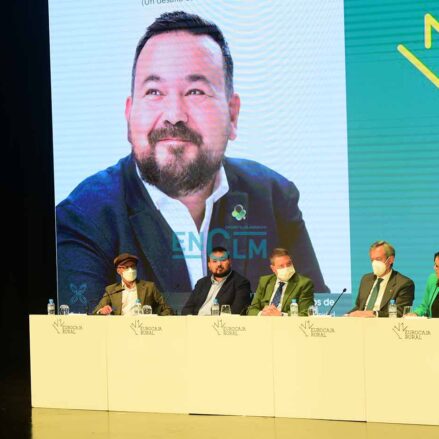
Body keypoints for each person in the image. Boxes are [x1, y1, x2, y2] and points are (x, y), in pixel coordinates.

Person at [56, 11, 328, 313]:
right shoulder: (83, 218)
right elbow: (86, 345)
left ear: (233, 115)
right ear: (129, 115)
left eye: (196, 91)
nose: (174, 114)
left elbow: (315, 313)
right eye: (154, 91)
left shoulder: (274, 196)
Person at [348, 241, 414, 318]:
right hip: (361, 325)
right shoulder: (366, 279)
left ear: (390, 260)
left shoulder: (404, 283)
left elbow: (400, 313)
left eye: (378, 259)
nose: (374, 263)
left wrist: (374, 314)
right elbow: (359, 307)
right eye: (372, 260)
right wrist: (346, 316)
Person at [93, 253, 173, 316]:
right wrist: (101, 311)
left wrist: (154, 319)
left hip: (142, 329)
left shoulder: (149, 287)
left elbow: (167, 309)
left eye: (133, 266)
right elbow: (96, 312)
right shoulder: (111, 290)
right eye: (126, 267)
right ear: (118, 271)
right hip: (119, 329)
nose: (131, 270)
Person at [181, 246, 252, 315]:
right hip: (196, 322)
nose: (219, 264)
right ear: (209, 265)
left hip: (220, 324)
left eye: (223, 260)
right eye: (214, 261)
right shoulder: (201, 283)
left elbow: (237, 311)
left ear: (230, 262)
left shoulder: (241, 283)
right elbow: (187, 309)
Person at [247, 248, 314, 316]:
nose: (286, 268)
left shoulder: (304, 283)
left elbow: (306, 313)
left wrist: (281, 315)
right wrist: (263, 314)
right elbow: (251, 310)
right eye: (281, 266)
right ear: (273, 269)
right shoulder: (265, 281)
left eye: (289, 264)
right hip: (265, 323)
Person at [410, 252, 439, 317]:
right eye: (435, 265)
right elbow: (424, 306)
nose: (435, 268)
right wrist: (416, 313)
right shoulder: (432, 279)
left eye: (437, 266)